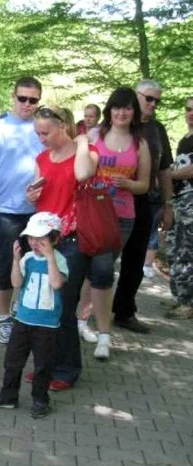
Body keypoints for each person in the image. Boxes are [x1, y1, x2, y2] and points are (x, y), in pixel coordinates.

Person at [24, 105, 98, 391]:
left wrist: (80, 141)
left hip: (72, 240)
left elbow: (81, 175)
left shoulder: (87, 153)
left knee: (64, 305)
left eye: (46, 132)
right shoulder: (41, 158)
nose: (41, 138)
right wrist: (31, 195)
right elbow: (36, 197)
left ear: (63, 127)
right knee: (43, 304)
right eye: (38, 133)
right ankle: (45, 366)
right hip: (42, 239)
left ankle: (67, 369)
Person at [76, 88, 151, 360]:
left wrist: (129, 184)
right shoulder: (95, 136)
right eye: (117, 107)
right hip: (93, 212)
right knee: (101, 270)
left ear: (134, 112)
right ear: (110, 110)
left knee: (101, 271)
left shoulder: (140, 143)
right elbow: (77, 169)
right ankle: (99, 332)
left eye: (128, 108)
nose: (122, 113)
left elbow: (144, 184)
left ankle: (84, 321)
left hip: (122, 217)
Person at [0, 76, 45, 345]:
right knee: (5, 265)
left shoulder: (43, 127)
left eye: (32, 99)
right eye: (22, 98)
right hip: (3, 210)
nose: (27, 104)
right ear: (13, 97)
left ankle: (25, 314)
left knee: (34, 267)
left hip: (38, 212)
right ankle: (3, 318)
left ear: (39, 101)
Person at [0, 212, 68, 418]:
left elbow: (57, 283)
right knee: (12, 360)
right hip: (22, 319)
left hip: (46, 324)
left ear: (55, 239)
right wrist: (16, 260)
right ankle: (8, 395)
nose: (34, 243)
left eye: (41, 239)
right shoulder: (28, 258)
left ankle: (40, 399)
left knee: (42, 365)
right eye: (31, 238)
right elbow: (16, 283)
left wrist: (49, 258)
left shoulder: (59, 260)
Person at [111, 80, 173, 333]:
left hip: (145, 201)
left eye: (157, 100)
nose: (153, 104)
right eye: (148, 98)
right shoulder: (118, 123)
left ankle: (124, 311)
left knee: (135, 260)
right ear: (135, 97)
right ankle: (85, 309)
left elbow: (165, 170)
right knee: (103, 257)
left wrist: (168, 205)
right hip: (113, 202)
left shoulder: (157, 130)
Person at [166, 97, 193, 320]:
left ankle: (188, 302)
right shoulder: (185, 139)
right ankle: (179, 297)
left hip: (191, 204)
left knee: (188, 251)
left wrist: (166, 176)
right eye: (188, 109)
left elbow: (189, 171)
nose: (191, 113)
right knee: (175, 250)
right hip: (179, 201)